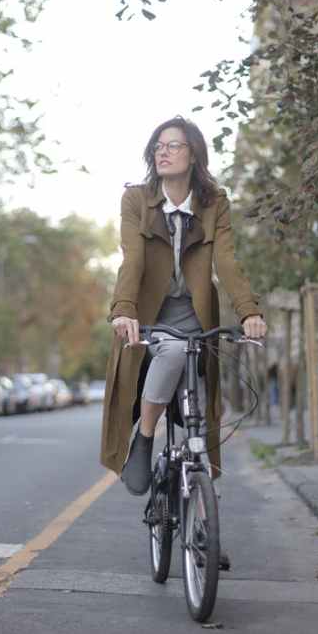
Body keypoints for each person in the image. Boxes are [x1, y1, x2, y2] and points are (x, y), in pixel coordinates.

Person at [100, 116, 267, 501]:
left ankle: (202, 511)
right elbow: (132, 259)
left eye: (173, 145)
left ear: (193, 155)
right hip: (150, 319)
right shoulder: (137, 200)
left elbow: (226, 261)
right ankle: (144, 439)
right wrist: (124, 308)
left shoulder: (214, 202)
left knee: (201, 412)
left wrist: (248, 311)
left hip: (196, 317)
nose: (163, 152)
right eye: (158, 146)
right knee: (174, 351)